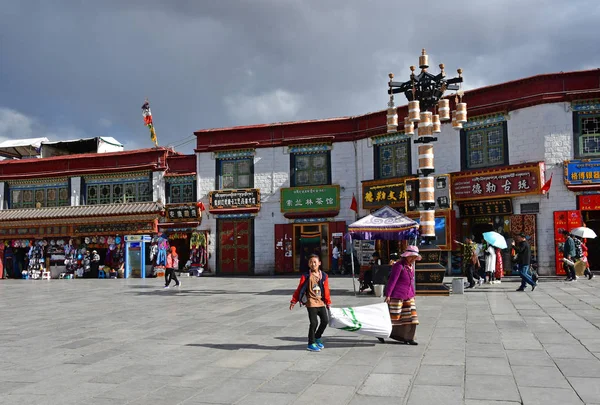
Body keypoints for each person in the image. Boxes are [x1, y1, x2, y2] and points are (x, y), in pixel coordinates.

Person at [379, 245, 420, 345]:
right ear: (406, 256)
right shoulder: (398, 266)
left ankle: (409, 338)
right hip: (397, 295)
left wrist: (413, 293)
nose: (413, 259)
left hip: (409, 296)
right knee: (394, 317)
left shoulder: (411, 267)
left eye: (414, 258)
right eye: (411, 257)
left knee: (411, 317)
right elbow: (392, 281)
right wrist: (388, 295)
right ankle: (381, 333)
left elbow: (411, 282)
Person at [290, 254, 331, 352]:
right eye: (311, 262)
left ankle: (317, 337)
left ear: (319, 263)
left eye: (315, 262)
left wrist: (328, 302)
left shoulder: (324, 276)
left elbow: (326, 290)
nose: (313, 264)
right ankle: (311, 343)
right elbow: (299, 289)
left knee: (325, 321)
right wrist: (294, 301)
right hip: (311, 302)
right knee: (314, 323)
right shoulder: (306, 276)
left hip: (320, 302)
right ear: (308, 264)